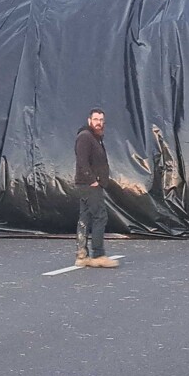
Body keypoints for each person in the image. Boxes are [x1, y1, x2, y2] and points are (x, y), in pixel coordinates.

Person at [74, 108, 117, 268]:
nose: (99, 122)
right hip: (89, 185)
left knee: (84, 218)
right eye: (96, 119)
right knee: (100, 216)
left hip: (87, 185)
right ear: (89, 120)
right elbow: (82, 161)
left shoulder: (95, 137)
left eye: (101, 120)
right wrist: (92, 180)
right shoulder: (85, 137)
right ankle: (98, 255)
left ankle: (82, 255)